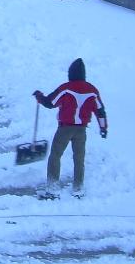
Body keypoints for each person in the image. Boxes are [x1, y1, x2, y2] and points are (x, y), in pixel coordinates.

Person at [33, 58, 108, 198]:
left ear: (71, 73)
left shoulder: (66, 88)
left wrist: (39, 96)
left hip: (65, 129)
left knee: (55, 156)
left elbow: (50, 102)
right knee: (79, 158)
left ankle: (53, 189)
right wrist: (103, 128)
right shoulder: (92, 90)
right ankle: (78, 189)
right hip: (81, 130)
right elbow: (100, 111)